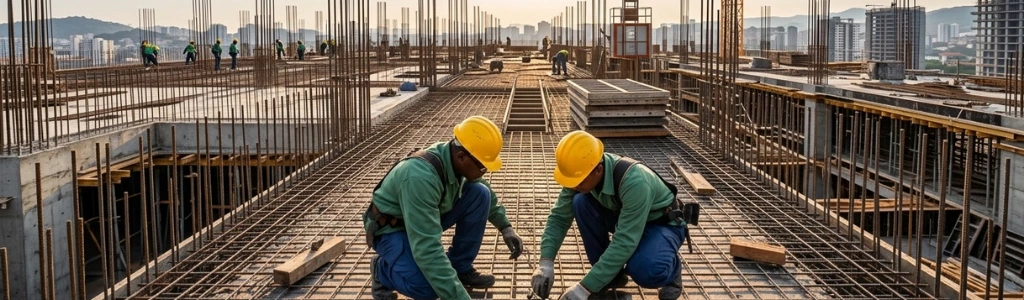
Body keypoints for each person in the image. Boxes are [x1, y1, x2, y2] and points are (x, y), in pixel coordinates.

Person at [365, 116, 524, 300]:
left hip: (421, 218)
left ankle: (459, 269)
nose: (484, 171)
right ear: (462, 157)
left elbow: (484, 187)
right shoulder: (420, 178)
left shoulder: (455, 158)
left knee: (480, 193)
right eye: (482, 167)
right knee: (429, 288)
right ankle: (381, 270)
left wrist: (505, 227)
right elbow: (427, 249)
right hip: (392, 229)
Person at [531, 130, 686, 300]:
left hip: (660, 225)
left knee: (644, 269)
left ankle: (672, 270)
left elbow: (624, 241)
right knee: (580, 202)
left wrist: (584, 288)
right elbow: (559, 218)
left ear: (598, 169)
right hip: (626, 218)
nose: (574, 186)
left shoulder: (635, 183)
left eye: (579, 182)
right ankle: (610, 277)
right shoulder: (581, 171)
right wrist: (546, 262)